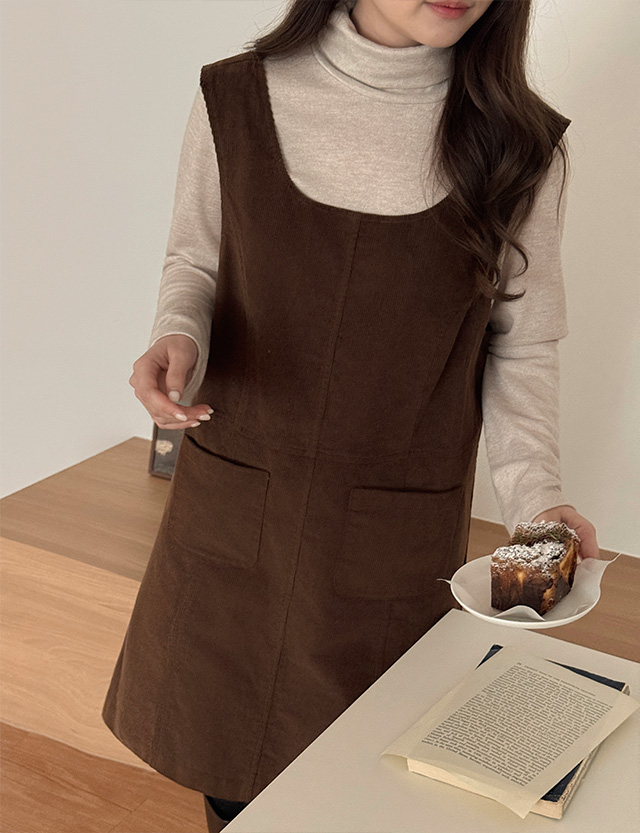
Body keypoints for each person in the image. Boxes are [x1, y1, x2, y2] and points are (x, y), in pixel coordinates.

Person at [102, 0, 600, 828]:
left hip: (392, 557)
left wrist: (538, 501)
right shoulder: (237, 96)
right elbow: (196, 258)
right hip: (236, 523)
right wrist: (176, 334)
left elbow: (521, 346)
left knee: (367, 796)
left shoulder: (519, 146)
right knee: (233, 786)